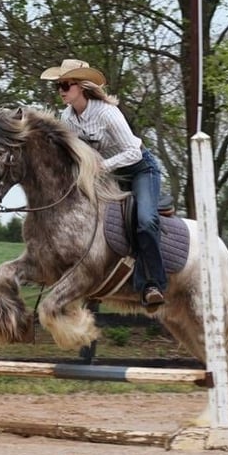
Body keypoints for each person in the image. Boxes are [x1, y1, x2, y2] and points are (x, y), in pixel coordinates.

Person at [40, 59, 167, 309]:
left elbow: (134, 152)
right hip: (108, 175)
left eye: (66, 84)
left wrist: (103, 166)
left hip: (140, 170)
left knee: (145, 221)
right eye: (58, 86)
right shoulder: (67, 117)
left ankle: (153, 284)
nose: (61, 90)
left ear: (82, 87)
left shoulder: (107, 113)